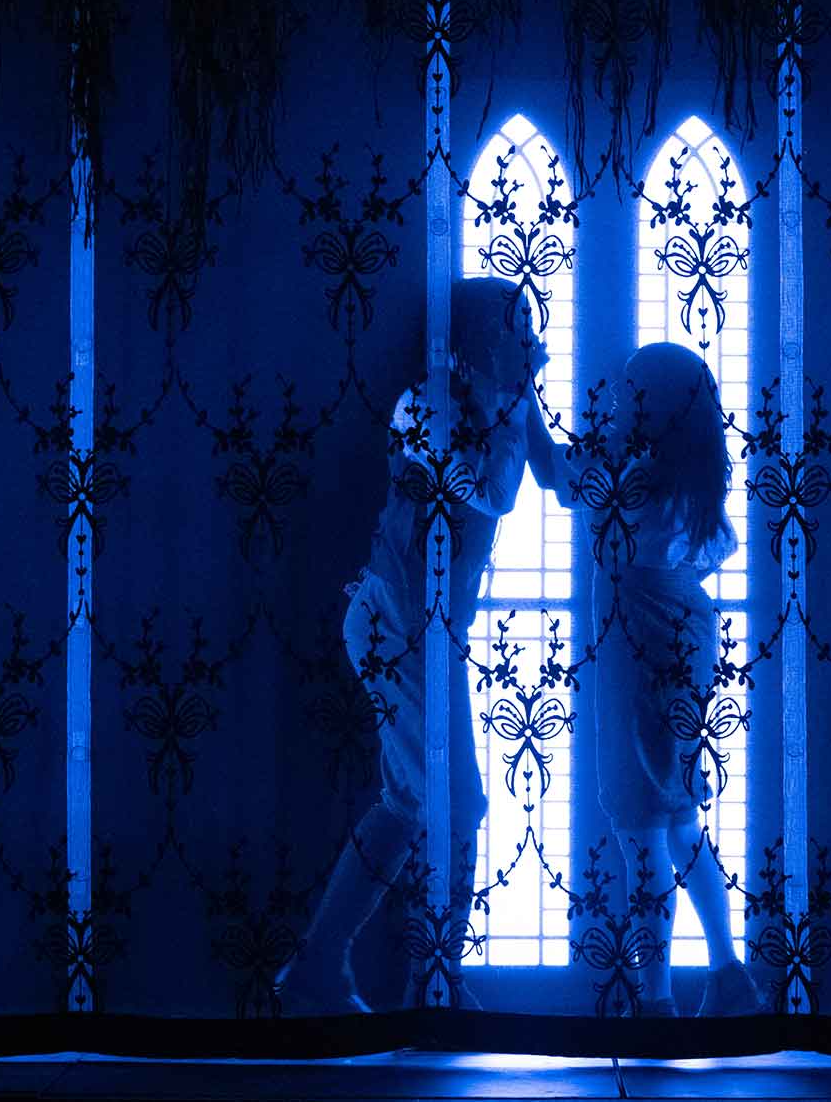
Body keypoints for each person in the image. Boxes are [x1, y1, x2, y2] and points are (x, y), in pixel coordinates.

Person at [278, 276, 563, 1015]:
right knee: (454, 801)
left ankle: (327, 970)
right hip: (395, 623)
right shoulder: (429, 405)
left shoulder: (508, 400)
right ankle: (427, 981)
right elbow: (494, 491)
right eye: (514, 328)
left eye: (530, 326)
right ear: (475, 342)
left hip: (423, 631)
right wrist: (518, 409)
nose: (529, 342)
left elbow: (560, 481)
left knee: (413, 802)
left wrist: (641, 462)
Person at [591, 342, 765, 1018]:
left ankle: (656, 1002)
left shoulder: (636, 477)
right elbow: (721, 545)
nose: (616, 401)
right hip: (686, 630)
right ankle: (727, 974)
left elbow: (588, 506)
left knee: (642, 828)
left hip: (639, 639)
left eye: (628, 390)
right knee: (680, 820)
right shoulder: (693, 477)